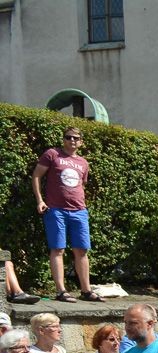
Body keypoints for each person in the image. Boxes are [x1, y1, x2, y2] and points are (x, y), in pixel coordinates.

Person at [30, 126, 103, 303]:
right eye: (69, 137)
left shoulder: (83, 163)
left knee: (82, 250)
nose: (72, 140)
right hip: (56, 210)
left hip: (79, 211)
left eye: (76, 138)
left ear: (81, 142)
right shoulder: (52, 154)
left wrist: (82, 205)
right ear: (64, 139)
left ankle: (86, 290)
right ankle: (61, 291)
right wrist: (40, 200)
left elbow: (81, 184)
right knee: (58, 249)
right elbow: (36, 176)